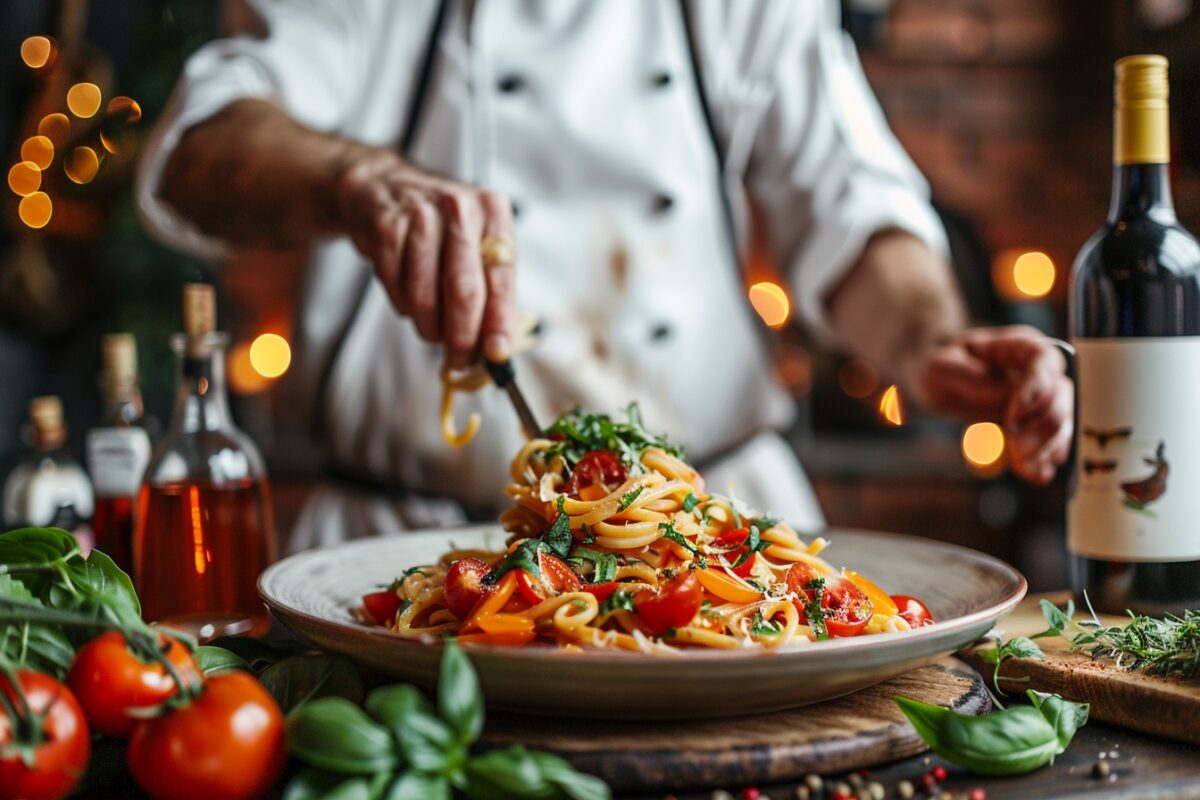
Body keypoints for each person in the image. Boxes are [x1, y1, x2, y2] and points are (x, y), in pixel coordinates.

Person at [137, 0, 1071, 551]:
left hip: (714, 534)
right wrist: (358, 181)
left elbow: (855, 213)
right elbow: (198, 148)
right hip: (404, 546)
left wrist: (933, 345)